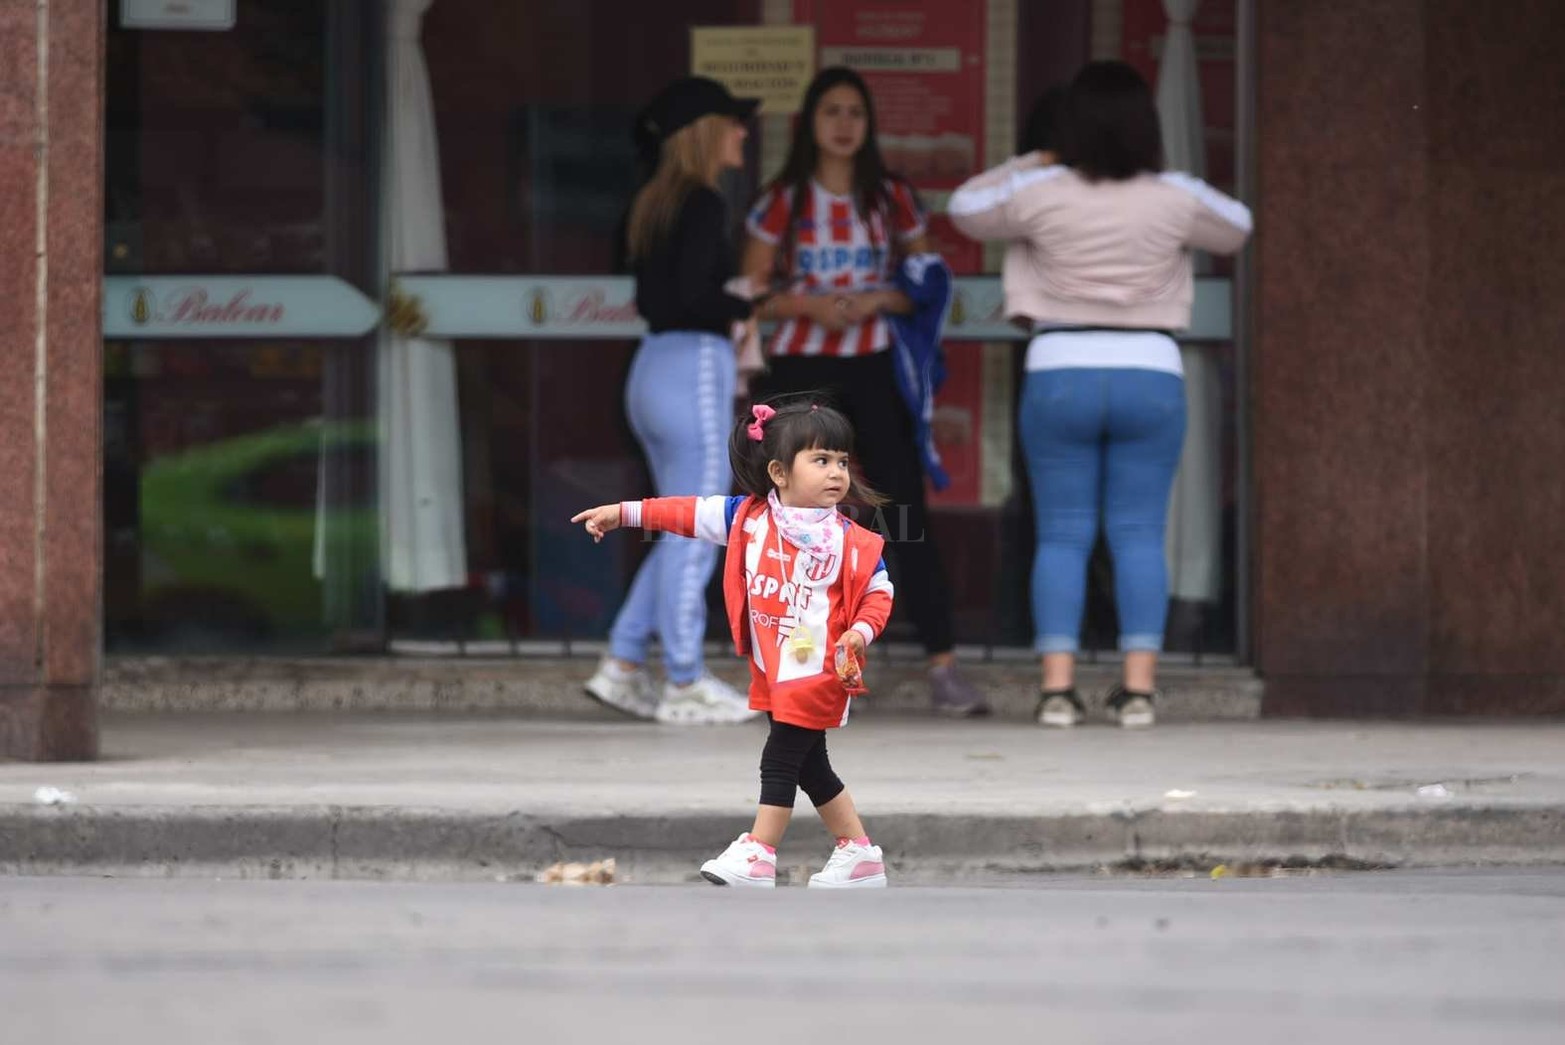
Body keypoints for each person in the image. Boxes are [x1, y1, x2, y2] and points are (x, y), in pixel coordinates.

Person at [949, 61, 1252, 729]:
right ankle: (1137, 691)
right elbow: (1236, 223)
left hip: (1059, 365)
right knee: (1139, 533)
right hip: (1151, 368)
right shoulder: (1170, 195)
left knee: (1062, 533)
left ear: (1068, 127)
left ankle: (1056, 691)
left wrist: (1031, 159)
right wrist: (1171, 177)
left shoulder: (1040, 189)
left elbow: (965, 207)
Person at [742, 66, 988, 718]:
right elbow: (750, 293)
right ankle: (782, 673)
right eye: (831, 112)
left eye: (855, 112)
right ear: (809, 123)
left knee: (902, 506)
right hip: (798, 371)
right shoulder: (780, 200)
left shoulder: (891, 197)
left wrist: (880, 296)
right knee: (788, 519)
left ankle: (943, 665)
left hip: (874, 366)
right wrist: (806, 305)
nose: (844, 124)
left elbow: (925, 278)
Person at [571, 399, 894, 888]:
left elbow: (879, 593)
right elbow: (683, 512)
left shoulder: (851, 540)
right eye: (821, 460)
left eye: (842, 461)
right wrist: (622, 513)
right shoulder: (747, 519)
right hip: (776, 668)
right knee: (812, 766)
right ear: (779, 473)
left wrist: (860, 633)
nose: (837, 473)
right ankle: (859, 854)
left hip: (819, 669)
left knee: (781, 757)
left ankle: (759, 853)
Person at [582, 76, 762, 725]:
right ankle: (684, 678)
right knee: (700, 523)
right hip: (692, 365)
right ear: (707, 130)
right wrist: (752, 301)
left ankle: (623, 663)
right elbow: (694, 294)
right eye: (734, 122)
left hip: (651, 366)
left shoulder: (651, 200)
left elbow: (655, 293)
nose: (744, 132)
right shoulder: (703, 201)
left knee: (674, 527)